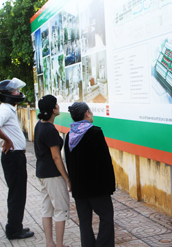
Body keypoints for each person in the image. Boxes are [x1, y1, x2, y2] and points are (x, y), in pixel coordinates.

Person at [0, 78, 34, 240]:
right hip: (13, 158)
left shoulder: (8, 110)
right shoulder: (6, 110)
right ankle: (14, 230)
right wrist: (7, 140)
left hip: (15, 158)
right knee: (17, 194)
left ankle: (16, 226)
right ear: (7, 95)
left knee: (18, 193)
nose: (18, 93)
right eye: (14, 91)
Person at [64, 102, 116, 247]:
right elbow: (105, 162)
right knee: (106, 217)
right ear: (87, 113)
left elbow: (69, 162)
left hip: (79, 189)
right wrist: (110, 185)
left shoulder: (69, 136)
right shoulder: (95, 132)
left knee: (85, 221)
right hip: (97, 188)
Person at [34, 95, 71, 247]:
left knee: (47, 209)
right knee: (60, 210)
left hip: (42, 172)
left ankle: (50, 243)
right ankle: (60, 244)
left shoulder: (39, 125)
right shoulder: (50, 130)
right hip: (53, 174)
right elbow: (56, 157)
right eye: (56, 105)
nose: (58, 106)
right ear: (53, 110)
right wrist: (67, 178)